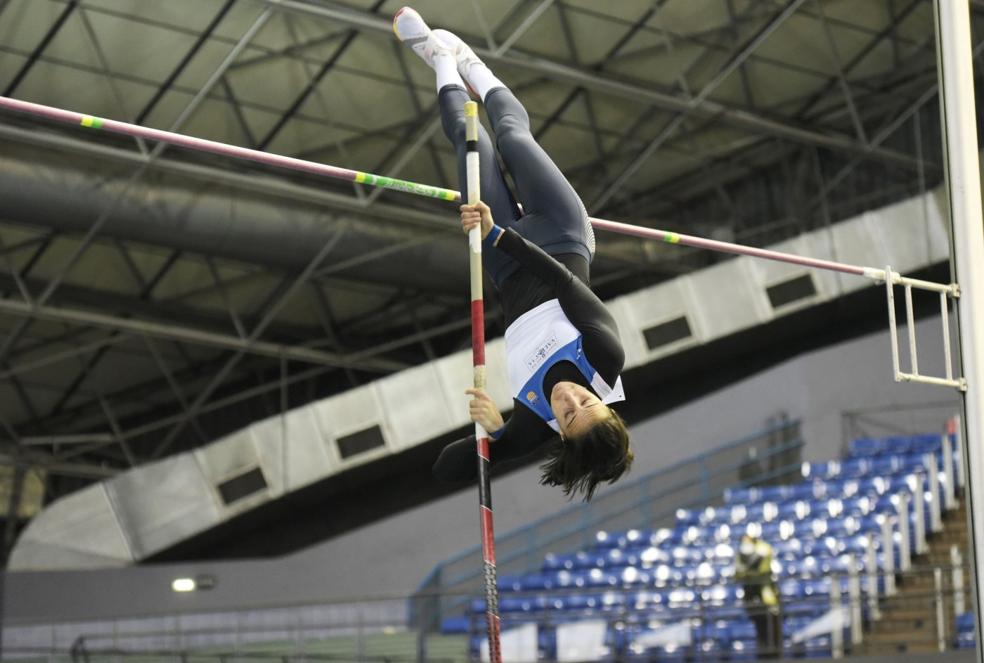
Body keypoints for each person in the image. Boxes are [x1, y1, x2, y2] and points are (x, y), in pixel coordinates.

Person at [393, 8, 633, 500]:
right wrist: (499, 234)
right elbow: (566, 284)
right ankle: (471, 63)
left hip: (503, 266)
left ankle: (439, 58)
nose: (568, 397)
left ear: (561, 434)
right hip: (561, 237)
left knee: (470, 143)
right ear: (605, 401)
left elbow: (447, 468)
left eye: (568, 412)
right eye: (586, 400)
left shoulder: (530, 426)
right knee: (514, 138)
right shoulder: (604, 358)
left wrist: (495, 434)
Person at [736, 533, 782, 658]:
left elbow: (758, 566)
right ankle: (764, 656)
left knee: (773, 632)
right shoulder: (740, 552)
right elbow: (738, 573)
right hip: (752, 599)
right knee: (761, 632)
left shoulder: (763, 548)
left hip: (768, 599)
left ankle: (774, 656)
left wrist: (748, 569)